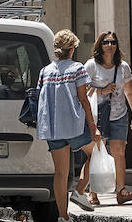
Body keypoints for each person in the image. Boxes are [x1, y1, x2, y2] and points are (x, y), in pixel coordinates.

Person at [36, 30, 101, 222]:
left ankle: (63, 217)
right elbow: (83, 99)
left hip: (53, 128)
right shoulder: (77, 68)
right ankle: (79, 191)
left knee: (60, 173)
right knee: (96, 152)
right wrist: (93, 126)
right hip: (75, 126)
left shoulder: (45, 71)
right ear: (72, 49)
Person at [76, 31, 132, 205]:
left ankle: (121, 191)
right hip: (97, 116)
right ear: (100, 45)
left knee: (119, 152)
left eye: (113, 42)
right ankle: (93, 193)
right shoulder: (91, 65)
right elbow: (82, 91)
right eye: (106, 42)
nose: (110, 45)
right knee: (97, 154)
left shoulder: (123, 67)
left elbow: (129, 91)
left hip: (119, 115)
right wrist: (101, 91)